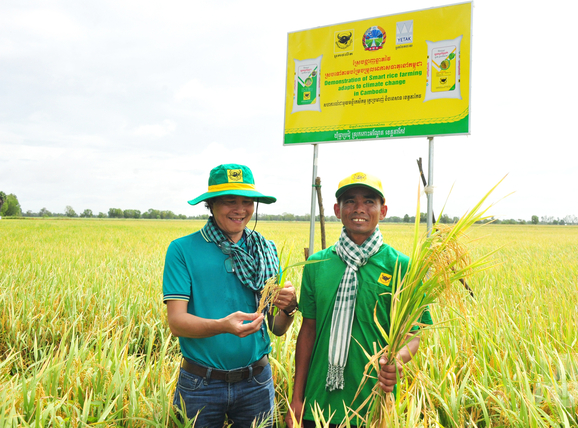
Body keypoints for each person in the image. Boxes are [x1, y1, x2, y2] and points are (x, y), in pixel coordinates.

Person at [286, 172, 432, 428]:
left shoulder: (401, 266)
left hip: (372, 402)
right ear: (337, 209)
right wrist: (297, 398)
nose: (359, 209)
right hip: (317, 403)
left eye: (369, 202)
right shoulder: (316, 264)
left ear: (383, 210)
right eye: (350, 201)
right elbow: (308, 331)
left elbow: (414, 333)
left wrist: (397, 361)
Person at [163, 163, 299, 428]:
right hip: (200, 384)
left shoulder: (265, 251)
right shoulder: (182, 250)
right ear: (211, 204)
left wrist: (289, 307)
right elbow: (177, 322)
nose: (240, 209)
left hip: (256, 382)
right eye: (229, 201)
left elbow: (277, 328)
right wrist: (222, 326)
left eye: (247, 201)